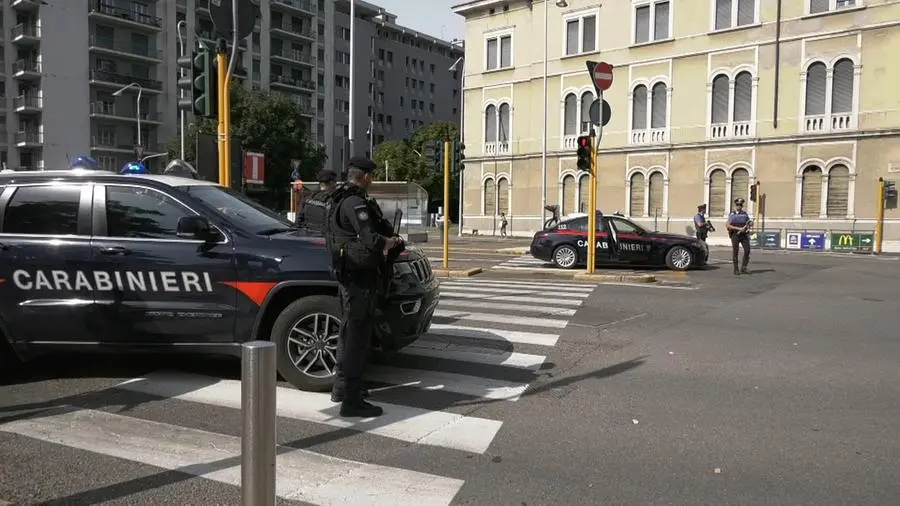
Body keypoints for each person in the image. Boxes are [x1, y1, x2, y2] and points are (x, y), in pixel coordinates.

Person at [326, 156, 402, 418]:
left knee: (349, 333)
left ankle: (341, 387)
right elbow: (370, 238)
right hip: (359, 279)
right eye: (372, 175)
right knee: (357, 339)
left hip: (348, 275)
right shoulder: (355, 202)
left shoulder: (338, 197)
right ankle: (352, 400)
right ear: (366, 176)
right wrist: (390, 243)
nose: (373, 179)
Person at [725, 197, 753, 275]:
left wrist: (750, 224)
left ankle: (744, 267)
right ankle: (736, 269)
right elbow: (727, 225)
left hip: (744, 234)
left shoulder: (744, 214)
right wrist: (738, 228)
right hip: (735, 234)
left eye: (740, 205)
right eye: (738, 205)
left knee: (747, 250)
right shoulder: (732, 214)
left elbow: (748, 222)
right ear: (735, 206)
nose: (739, 206)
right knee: (736, 251)